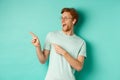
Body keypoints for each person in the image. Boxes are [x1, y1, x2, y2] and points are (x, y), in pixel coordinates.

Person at [30, 8, 86, 80]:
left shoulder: (81, 42)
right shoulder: (51, 35)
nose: (62, 21)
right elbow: (42, 60)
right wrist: (37, 46)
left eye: (66, 18)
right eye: (61, 18)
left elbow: (79, 67)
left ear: (73, 21)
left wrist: (64, 53)